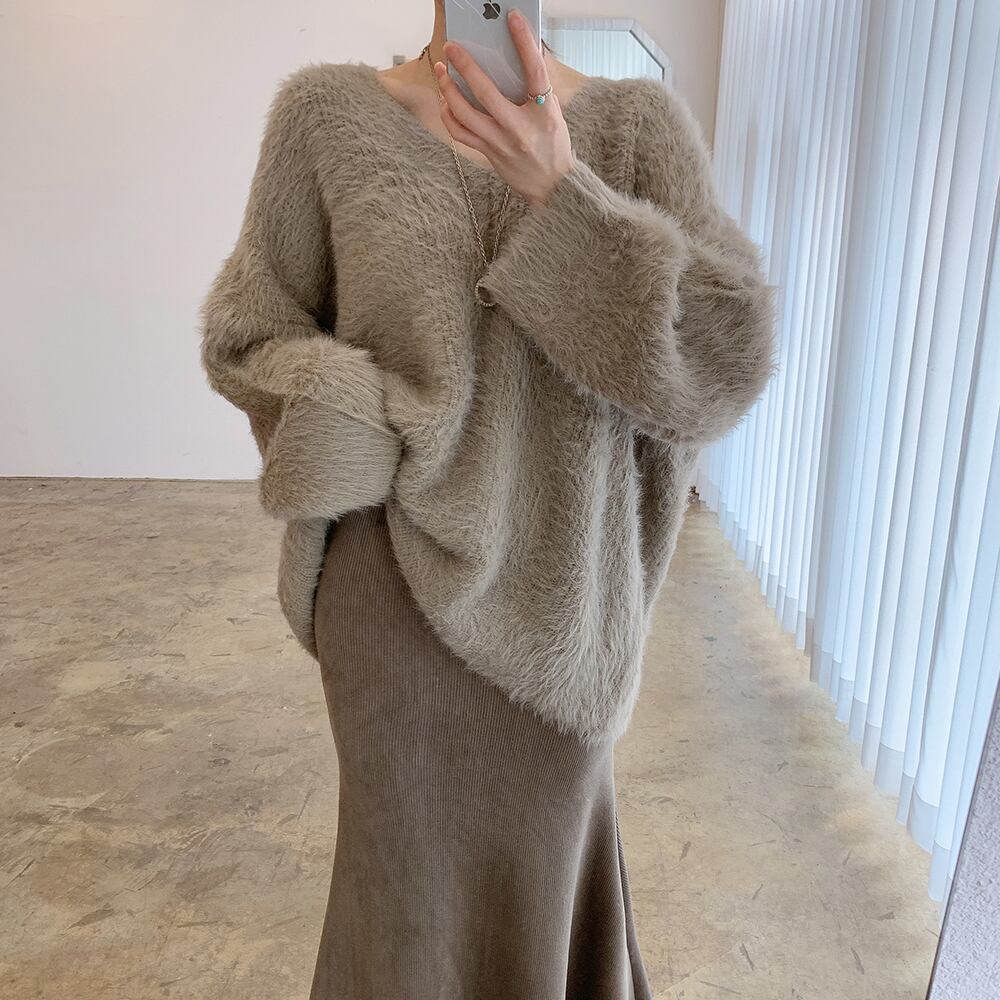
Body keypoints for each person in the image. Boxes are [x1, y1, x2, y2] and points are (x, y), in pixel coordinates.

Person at [198, 2, 776, 997]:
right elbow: (245, 335)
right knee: (402, 903)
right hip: (389, 609)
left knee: (546, 887)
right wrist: (351, 412)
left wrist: (564, 195)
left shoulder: (636, 128)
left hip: (568, 616)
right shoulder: (325, 119)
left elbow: (724, 362)